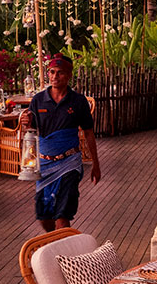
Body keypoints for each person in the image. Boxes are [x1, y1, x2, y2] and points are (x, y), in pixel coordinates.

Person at [18, 54, 100, 232]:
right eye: (52, 72)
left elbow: (88, 133)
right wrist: (25, 122)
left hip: (69, 164)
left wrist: (96, 164)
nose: (55, 77)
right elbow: (30, 129)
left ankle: (63, 253)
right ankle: (56, 241)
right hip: (44, 165)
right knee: (44, 217)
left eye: (60, 73)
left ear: (69, 75)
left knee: (62, 217)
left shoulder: (78, 102)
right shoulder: (38, 100)